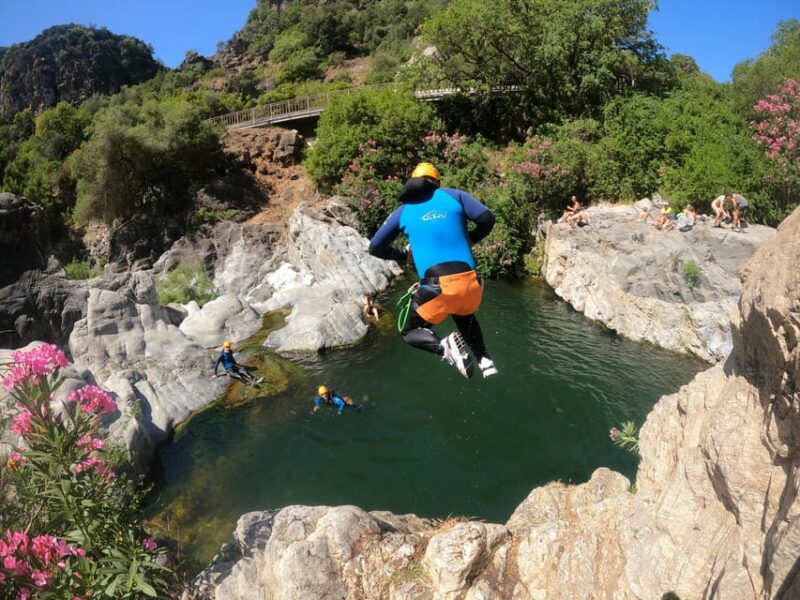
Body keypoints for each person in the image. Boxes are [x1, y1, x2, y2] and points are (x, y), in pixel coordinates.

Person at [368, 161, 497, 379]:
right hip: (471, 284)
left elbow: (375, 247)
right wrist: (470, 239)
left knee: (410, 332)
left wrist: (402, 254)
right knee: (463, 315)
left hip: (437, 287)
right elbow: (487, 218)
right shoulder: (455, 195)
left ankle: (444, 346)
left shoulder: (404, 211)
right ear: (436, 182)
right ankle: (485, 360)